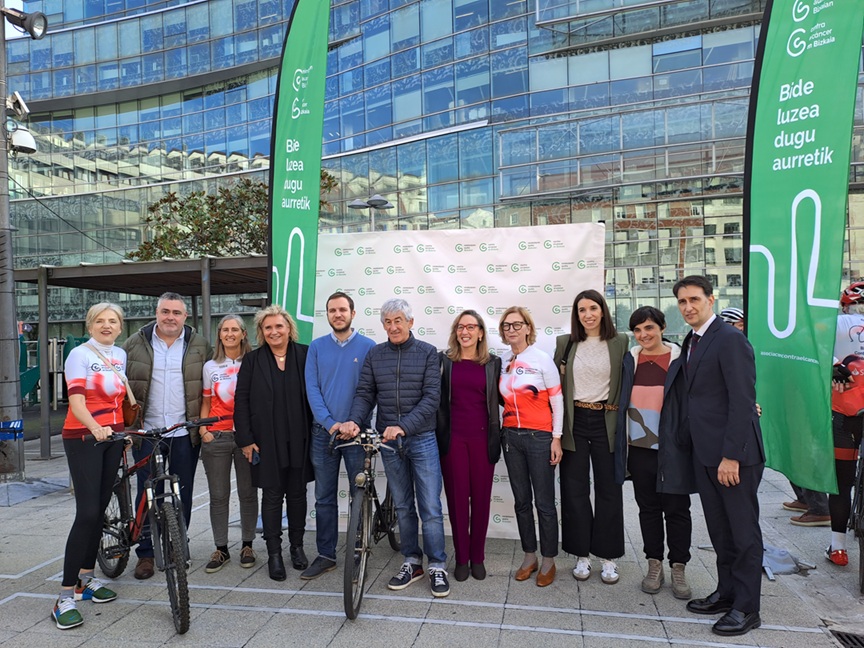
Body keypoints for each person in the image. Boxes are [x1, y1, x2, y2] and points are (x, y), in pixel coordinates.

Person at [340, 298, 449, 597]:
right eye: (387, 322)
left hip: (422, 438)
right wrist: (353, 420)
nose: (393, 326)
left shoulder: (428, 353)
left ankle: (437, 565)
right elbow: (365, 393)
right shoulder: (375, 355)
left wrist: (404, 426)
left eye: (398, 320)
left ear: (411, 322)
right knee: (402, 505)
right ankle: (412, 561)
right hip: (389, 443)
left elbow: (431, 399)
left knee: (430, 507)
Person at [674, 275, 764, 637]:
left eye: (694, 299)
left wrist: (732, 456)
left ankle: (747, 608)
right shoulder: (694, 339)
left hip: (733, 456)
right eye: (682, 301)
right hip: (705, 452)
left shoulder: (730, 339)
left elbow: (743, 400)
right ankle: (727, 592)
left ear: (711, 299)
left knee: (743, 534)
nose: (688, 307)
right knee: (720, 531)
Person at [124, 292, 211, 580]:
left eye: (176, 312)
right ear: (156, 313)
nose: (170, 317)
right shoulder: (134, 344)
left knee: (181, 491)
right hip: (147, 432)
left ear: (185, 316)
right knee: (146, 492)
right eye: (165, 311)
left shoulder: (199, 345)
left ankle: (176, 545)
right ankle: (146, 553)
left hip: (183, 431)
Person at [54, 303, 127, 629]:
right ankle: (65, 595)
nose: (107, 325)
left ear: (120, 327)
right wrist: (95, 427)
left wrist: (120, 431)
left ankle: (86, 579)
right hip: (83, 436)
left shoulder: (120, 356)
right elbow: (77, 401)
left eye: (112, 321)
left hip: (113, 436)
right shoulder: (79, 355)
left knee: (99, 509)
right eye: (100, 320)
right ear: (90, 325)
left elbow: (117, 400)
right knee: (86, 512)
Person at [613, 306, 694, 599]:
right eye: (637, 330)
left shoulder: (679, 360)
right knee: (648, 509)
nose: (643, 335)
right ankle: (654, 563)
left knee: (677, 509)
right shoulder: (629, 360)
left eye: (649, 328)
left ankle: (679, 566)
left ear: (661, 327)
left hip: (672, 449)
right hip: (639, 449)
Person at [553, 289, 628, 585]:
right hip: (574, 421)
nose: (588, 314)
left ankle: (608, 558)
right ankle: (581, 553)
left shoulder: (620, 342)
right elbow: (554, 387)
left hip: (605, 420)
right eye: (582, 309)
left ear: (603, 311)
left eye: (593, 308)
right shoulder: (566, 344)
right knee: (574, 489)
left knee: (609, 489)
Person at [234, 305, 312, 581]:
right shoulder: (253, 361)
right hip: (266, 442)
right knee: (271, 497)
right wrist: (245, 440)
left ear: (289, 328)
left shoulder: (305, 355)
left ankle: (297, 548)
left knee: (298, 495)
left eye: (279, 326)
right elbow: (241, 401)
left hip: (300, 439)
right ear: (261, 332)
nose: (274, 331)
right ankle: (275, 554)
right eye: (268, 328)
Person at [302, 292, 375, 580]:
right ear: (328, 314)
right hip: (324, 434)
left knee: (360, 495)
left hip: (357, 434)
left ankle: (359, 551)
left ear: (353, 313)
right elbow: (313, 390)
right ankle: (326, 554)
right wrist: (331, 424)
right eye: (332, 310)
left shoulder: (369, 347)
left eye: (342, 310)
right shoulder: (317, 348)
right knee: (324, 496)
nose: (337, 314)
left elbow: (370, 390)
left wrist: (353, 423)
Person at [436, 310, 502, 581]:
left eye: (471, 327)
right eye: (460, 327)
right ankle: (462, 558)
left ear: (481, 332)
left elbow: (506, 396)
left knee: (482, 501)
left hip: (483, 440)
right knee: (457, 500)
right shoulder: (445, 362)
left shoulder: (493, 363)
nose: (465, 332)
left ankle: (478, 557)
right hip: (453, 440)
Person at [499, 306, 563, 587]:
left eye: (516, 324)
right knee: (522, 501)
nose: (511, 329)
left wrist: (557, 437)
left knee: (545, 503)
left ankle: (549, 560)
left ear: (528, 327)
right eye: (506, 325)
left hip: (540, 437)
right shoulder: (502, 360)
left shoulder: (542, 359)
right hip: (511, 437)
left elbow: (557, 401)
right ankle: (529, 556)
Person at [199, 315, 258, 573]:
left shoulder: (254, 362)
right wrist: (203, 429)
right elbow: (205, 401)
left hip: (247, 438)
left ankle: (247, 545)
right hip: (217, 436)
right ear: (220, 335)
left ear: (244, 334)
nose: (230, 333)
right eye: (225, 330)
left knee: (248, 492)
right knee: (219, 495)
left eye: (235, 329)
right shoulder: (210, 366)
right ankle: (221, 548)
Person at [825, 281, 864, 565]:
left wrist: (834, 364)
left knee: (841, 482)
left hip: (844, 410)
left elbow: (806, 344)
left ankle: (838, 547)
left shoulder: (833, 323)